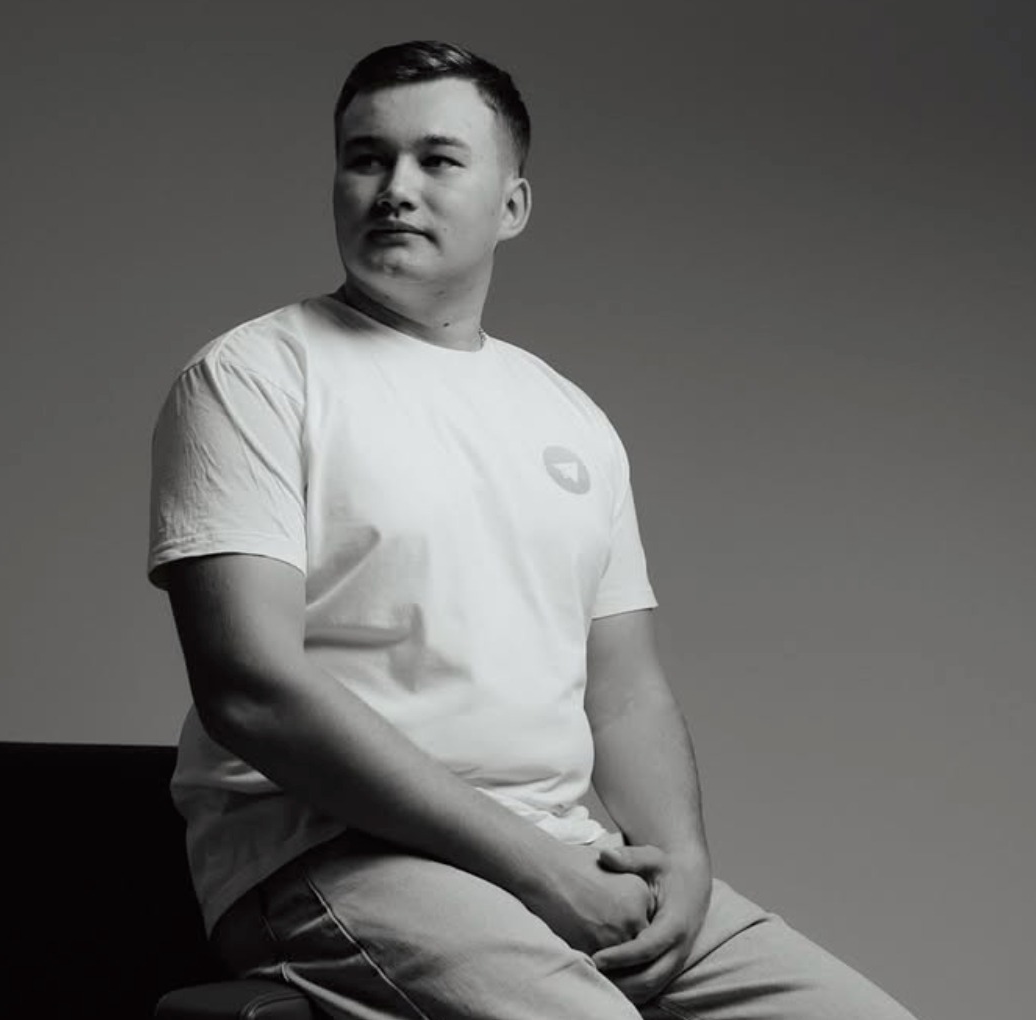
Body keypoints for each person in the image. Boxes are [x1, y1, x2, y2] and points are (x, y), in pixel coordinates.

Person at [147, 39, 919, 1020]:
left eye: (437, 159)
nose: (394, 188)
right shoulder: (252, 378)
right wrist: (538, 873)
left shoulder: (569, 417)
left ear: (511, 205)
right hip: (333, 855)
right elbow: (251, 691)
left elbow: (624, 691)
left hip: (562, 852)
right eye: (365, 158)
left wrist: (680, 862)